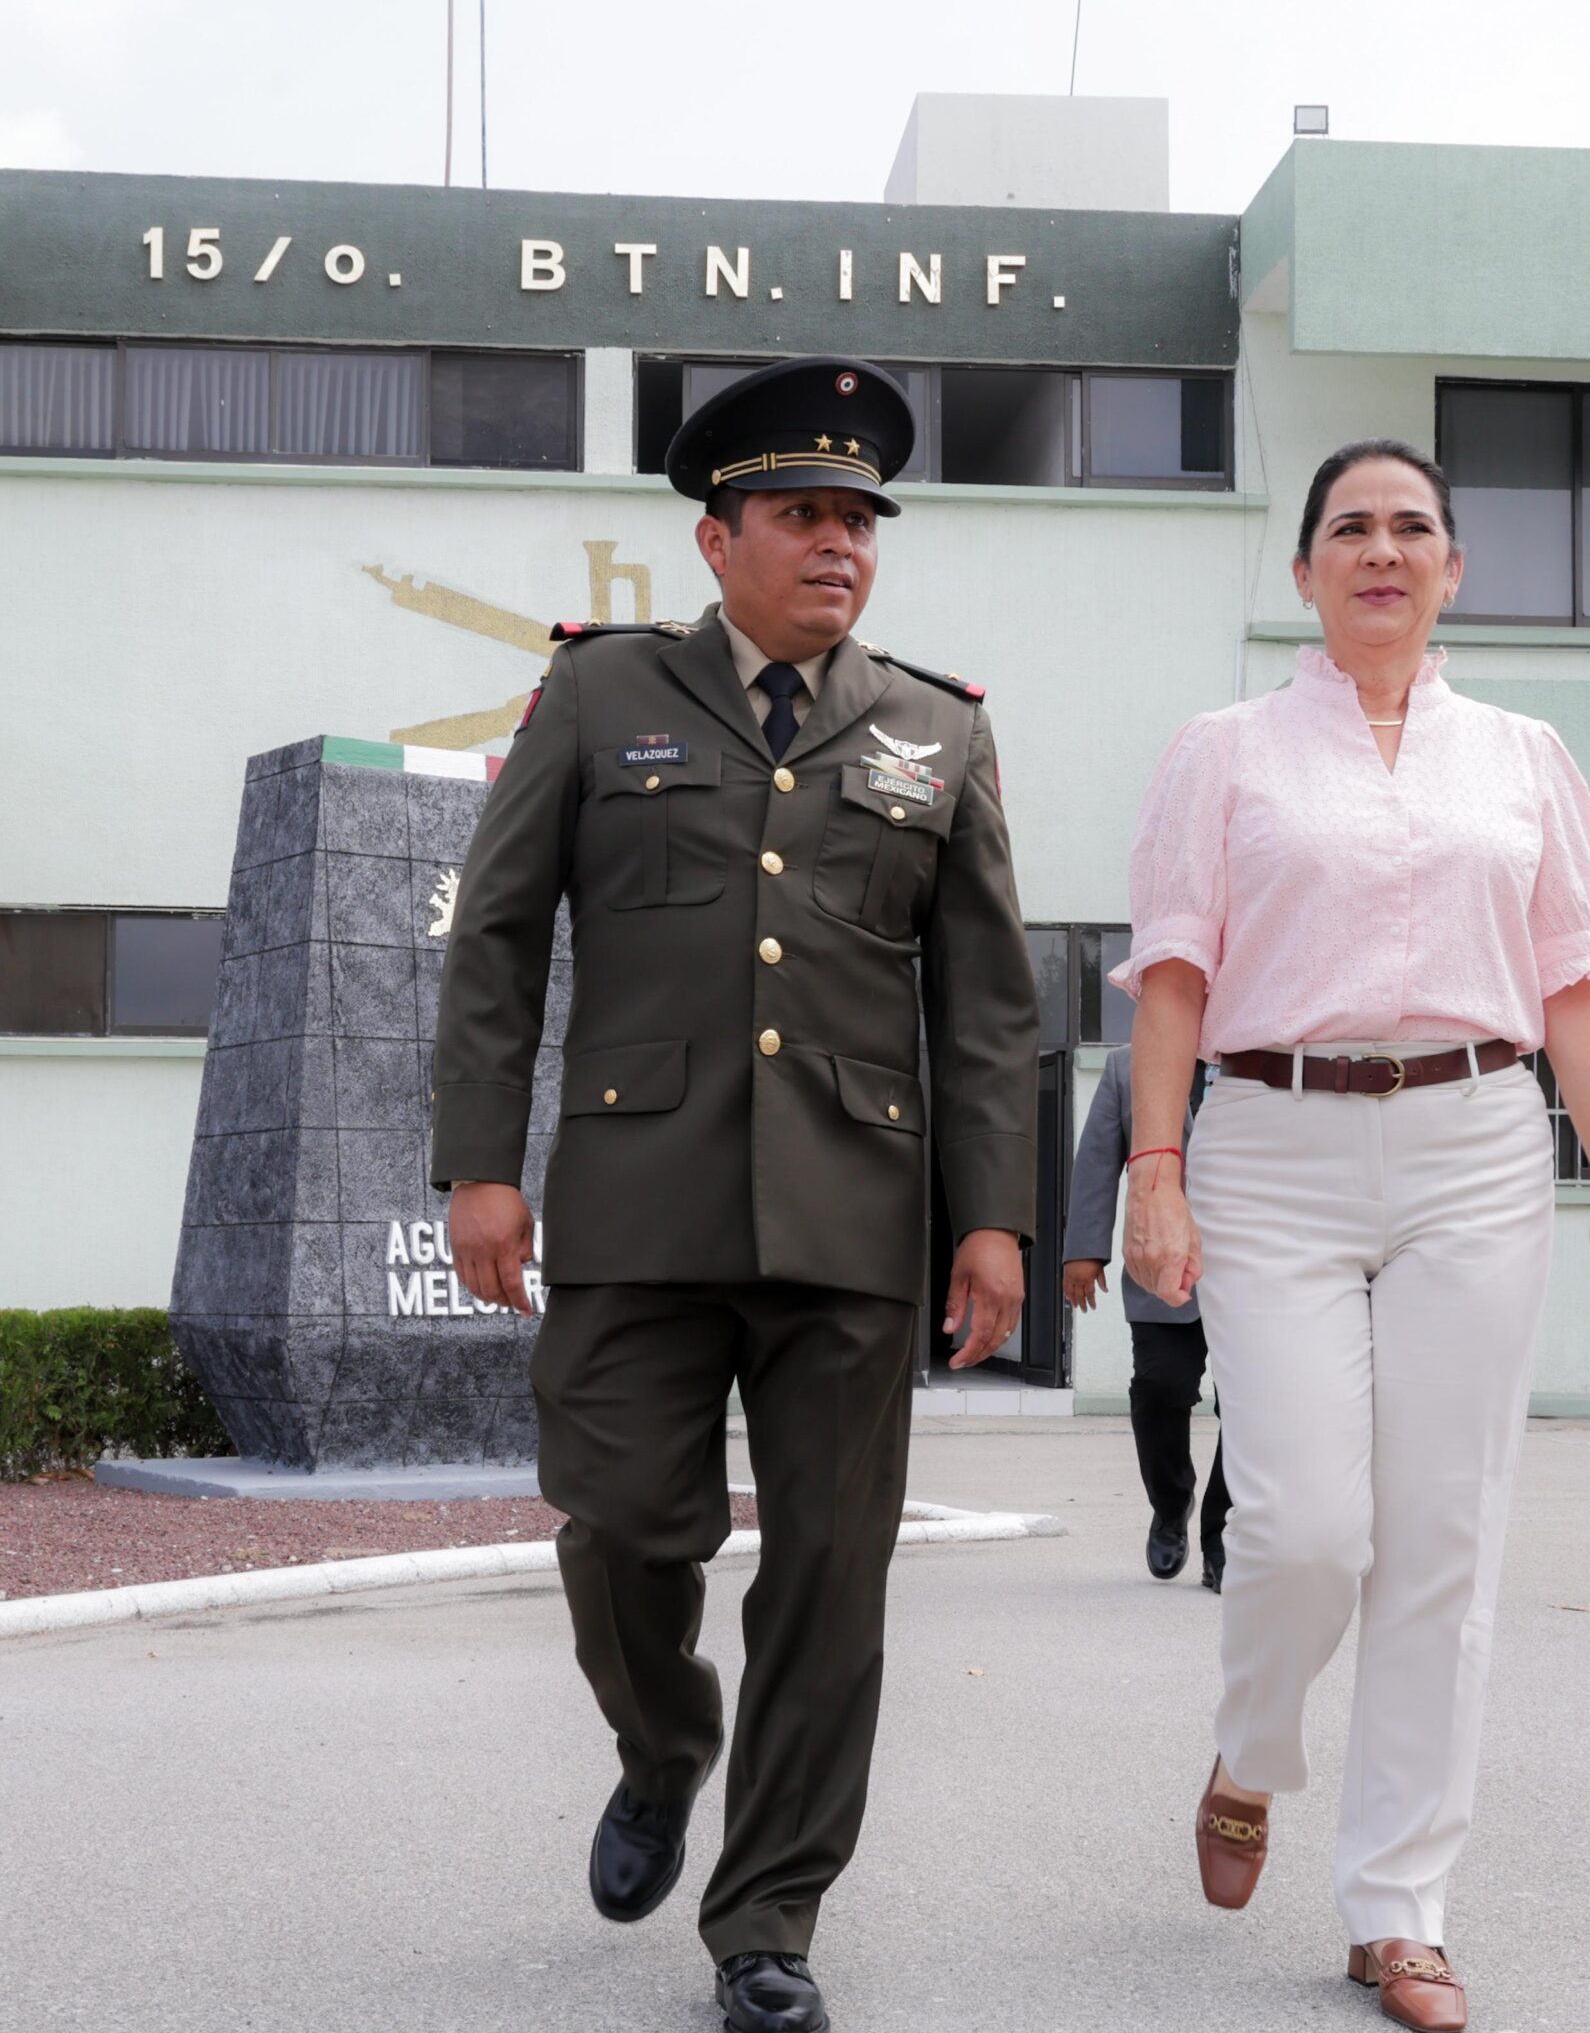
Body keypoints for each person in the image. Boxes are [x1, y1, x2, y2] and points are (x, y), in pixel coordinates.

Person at [431, 356, 1038, 2033]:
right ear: (719, 540)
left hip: (856, 1214)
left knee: (834, 1582)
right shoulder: (597, 694)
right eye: (801, 515)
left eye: (858, 520)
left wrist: (990, 1217)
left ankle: (767, 1920)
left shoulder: (938, 728)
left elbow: (986, 999)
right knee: (626, 1527)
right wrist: (481, 1163)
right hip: (638, 1200)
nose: (837, 544)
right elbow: (495, 937)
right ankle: (662, 1742)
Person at [1115, 437, 1590, 2033]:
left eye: (1413, 527)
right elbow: (1171, 974)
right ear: (1303, 573)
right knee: (1302, 1529)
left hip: (1479, 1145)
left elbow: (1574, 978)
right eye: (1348, 527)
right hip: (1272, 1144)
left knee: (1443, 1543)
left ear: (1452, 569)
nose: (1381, 549)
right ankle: (1252, 1753)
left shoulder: (1524, 754)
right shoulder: (1222, 752)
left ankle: (1399, 1910)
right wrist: (1158, 1162)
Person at [1062, 1046, 1230, 1588]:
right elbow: (1097, 1160)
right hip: (1162, 1266)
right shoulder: (1126, 1066)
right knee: (1161, 1388)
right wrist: (1084, 1251)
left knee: (1252, 1404)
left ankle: (1221, 1533)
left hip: (1254, 1271)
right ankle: (1171, 1504)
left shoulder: (1264, 1052)